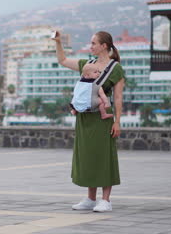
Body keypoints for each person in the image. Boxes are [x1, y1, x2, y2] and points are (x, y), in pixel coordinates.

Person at [53, 30, 125, 212]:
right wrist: (58, 42)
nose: (90, 46)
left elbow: (117, 98)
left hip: (102, 119)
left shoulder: (115, 68)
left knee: (104, 156)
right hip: (85, 117)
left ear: (104, 46)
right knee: (88, 156)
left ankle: (106, 200)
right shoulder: (88, 63)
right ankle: (91, 199)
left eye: (93, 43)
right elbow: (62, 61)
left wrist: (117, 121)